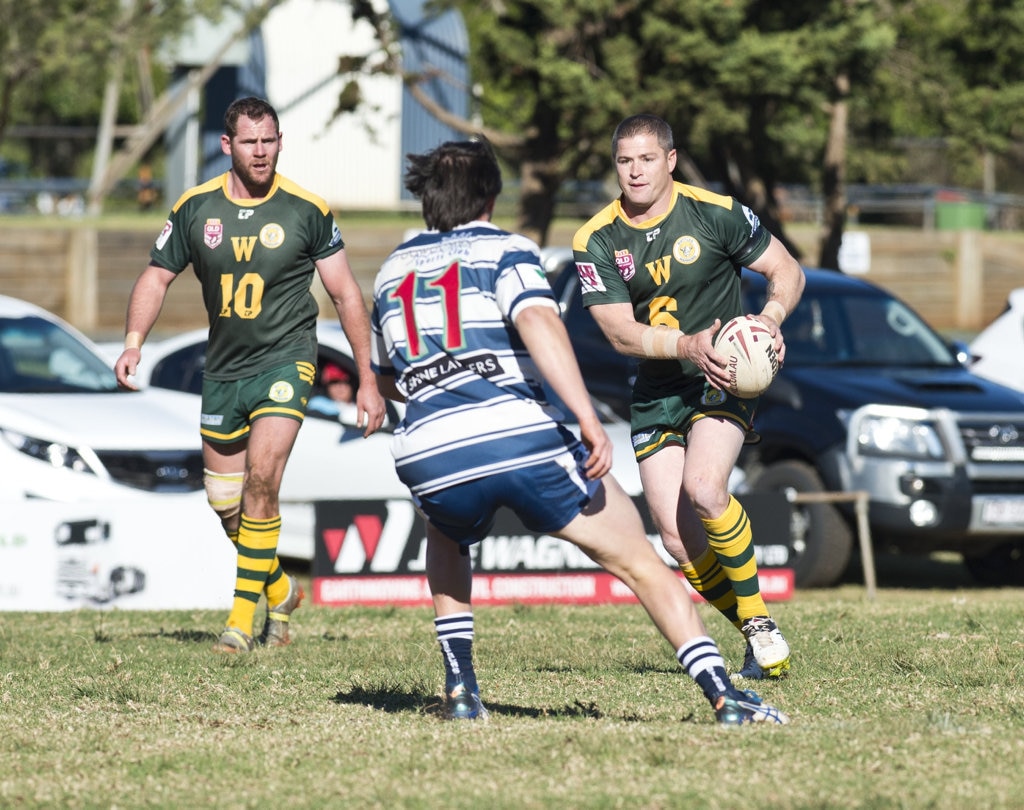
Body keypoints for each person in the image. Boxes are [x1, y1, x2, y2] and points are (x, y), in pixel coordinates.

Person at [370, 138, 789, 725]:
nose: (635, 169)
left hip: (430, 450)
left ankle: (462, 690)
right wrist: (587, 418)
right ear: (490, 196)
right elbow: (542, 323)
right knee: (645, 559)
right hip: (523, 435)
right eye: (626, 159)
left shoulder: (391, 269)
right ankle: (727, 698)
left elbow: (387, 378)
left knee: (445, 535)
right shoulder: (513, 249)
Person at [113, 96, 386, 653]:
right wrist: (133, 343)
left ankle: (239, 624)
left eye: (270, 141)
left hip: (287, 361)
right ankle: (280, 589)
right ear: (227, 145)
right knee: (226, 504)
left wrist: (367, 377)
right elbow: (155, 278)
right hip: (225, 371)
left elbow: (345, 293)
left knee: (264, 478)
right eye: (249, 142)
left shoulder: (307, 209)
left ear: (280, 142)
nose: (261, 153)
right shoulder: (195, 208)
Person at [573, 113, 806, 679]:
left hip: (722, 376)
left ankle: (759, 626)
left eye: (647, 159)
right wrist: (685, 344)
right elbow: (618, 332)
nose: (635, 172)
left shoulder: (715, 213)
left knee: (705, 489)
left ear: (670, 160)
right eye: (624, 161)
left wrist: (769, 320)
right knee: (677, 540)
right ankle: (753, 630)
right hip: (658, 387)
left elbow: (787, 270)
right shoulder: (596, 238)